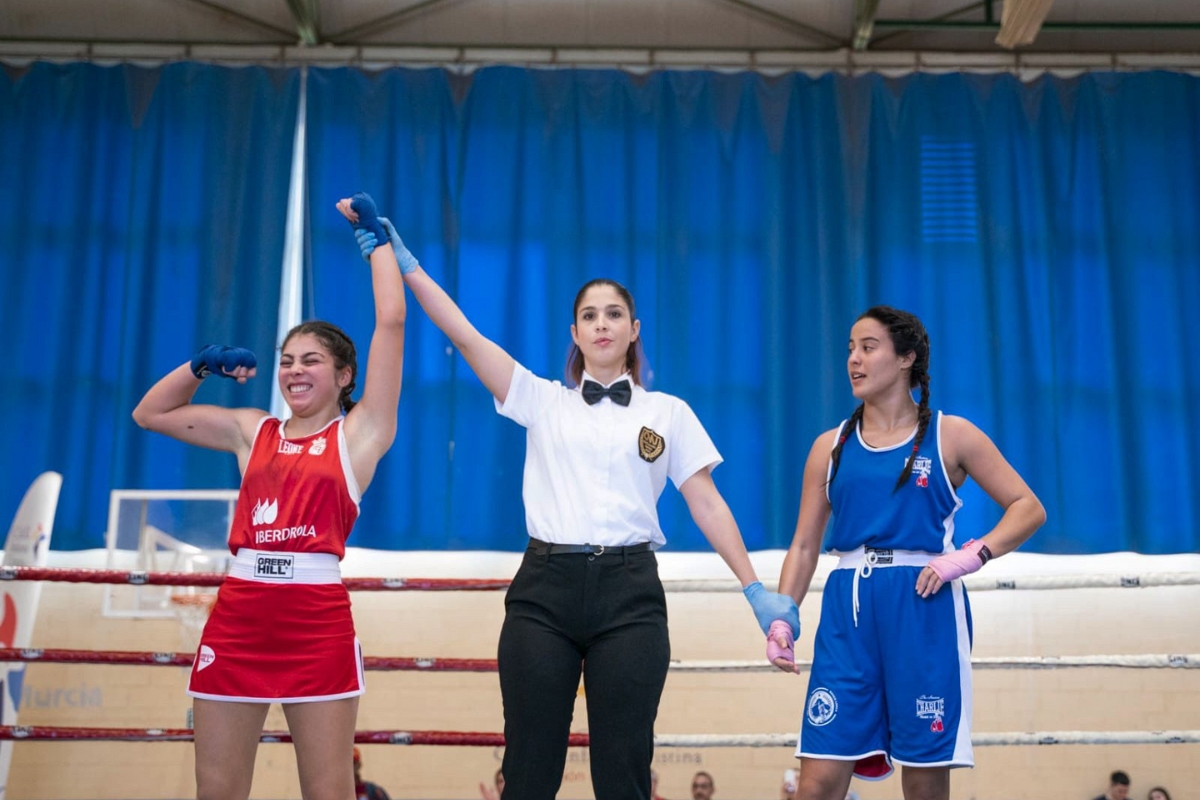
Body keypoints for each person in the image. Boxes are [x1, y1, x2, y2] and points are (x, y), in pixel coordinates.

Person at [353, 220, 799, 800]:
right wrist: (403, 262)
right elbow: (463, 335)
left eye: (614, 313)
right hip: (545, 592)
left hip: (631, 593)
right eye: (589, 315)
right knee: (530, 770)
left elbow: (707, 503)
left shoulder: (669, 413)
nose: (602, 323)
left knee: (624, 772)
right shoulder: (540, 400)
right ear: (575, 332)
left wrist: (753, 590)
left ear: (634, 329)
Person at [132, 192, 406, 800]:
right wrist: (201, 365)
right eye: (286, 361)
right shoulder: (252, 429)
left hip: (316, 620)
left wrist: (377, 247)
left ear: (344, 376)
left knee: (328, 791)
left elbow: (391, 322)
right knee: (218, 791)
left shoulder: (361, 436)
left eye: (311, 360)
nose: (294, 370)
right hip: (239, 616)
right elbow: (149, 413)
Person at [768, 306, 1046, 800]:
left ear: (906, 359)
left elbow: (1027, 508)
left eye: (868, 347)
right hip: (847, 611)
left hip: (924, 605)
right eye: (850, 348)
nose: (853, 358)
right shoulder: (829, 447)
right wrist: (783, 616)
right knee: (816, 784)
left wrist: (973, 554)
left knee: (924, 782)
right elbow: (806, 543)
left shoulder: (952, 435)